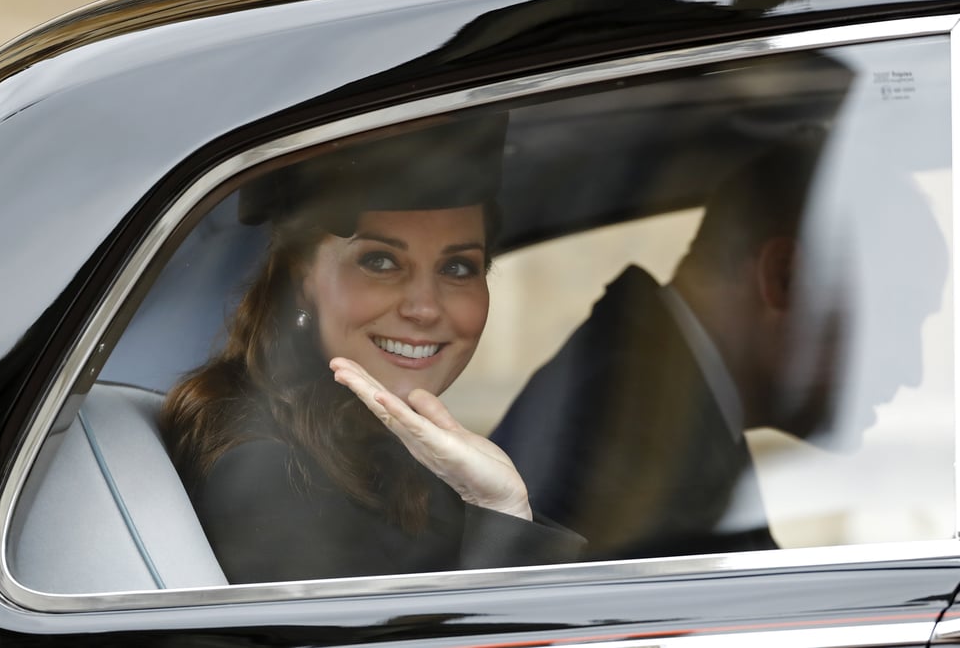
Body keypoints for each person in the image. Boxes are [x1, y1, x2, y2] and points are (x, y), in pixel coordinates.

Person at [160, 116, 585, 584]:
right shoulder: (270, 470)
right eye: (380, 261)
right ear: (303, 281)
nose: (424, 308)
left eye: (459, 268)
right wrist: (500, 509)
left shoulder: (377, 447)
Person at [492, 133, 946, 560]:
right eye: (897, 318)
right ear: (788, 280)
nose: (913, 370)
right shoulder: (633, 443)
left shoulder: (662, 403)